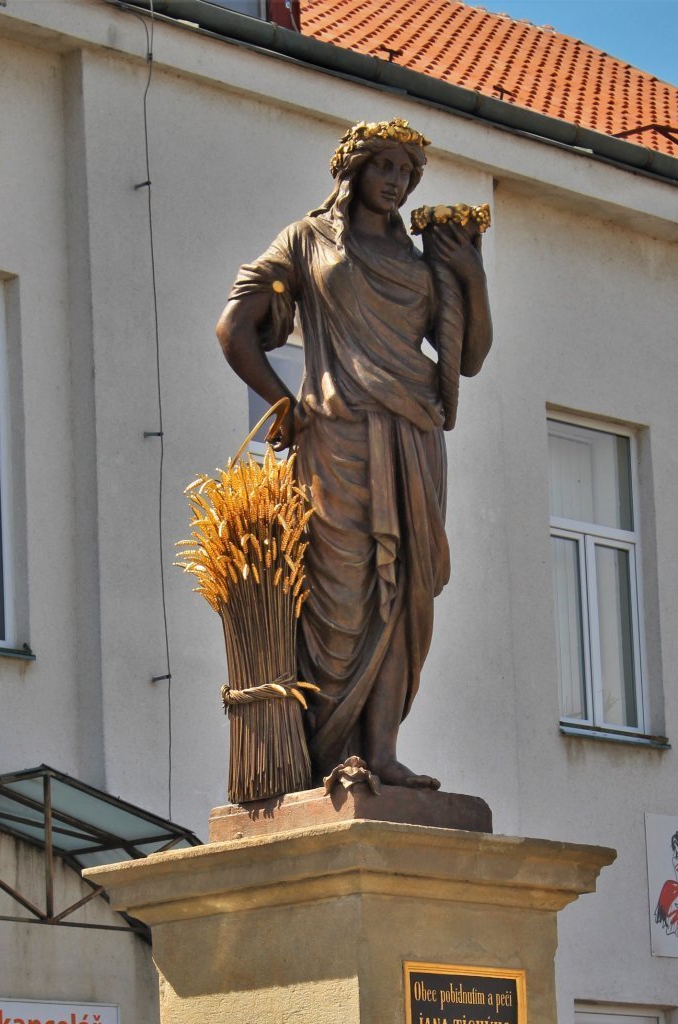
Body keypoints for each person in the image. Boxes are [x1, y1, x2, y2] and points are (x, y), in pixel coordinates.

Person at [216, 119, 493, 788]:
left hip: (415, 437)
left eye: (408, 171)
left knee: (403, 596)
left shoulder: (422, 262)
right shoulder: (307, 242)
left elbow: (472, 358)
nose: (397, 180)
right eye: (386, 166)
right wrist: (281, 402)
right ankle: (324, 756)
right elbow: (234, 325)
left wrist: (468, 274)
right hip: (336, 437)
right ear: (355, 170)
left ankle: (382, 751)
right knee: (340, 601)